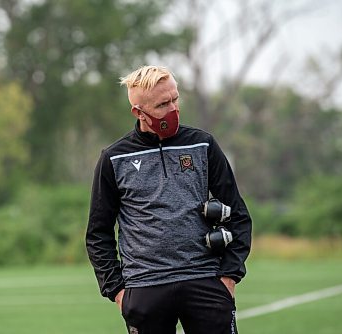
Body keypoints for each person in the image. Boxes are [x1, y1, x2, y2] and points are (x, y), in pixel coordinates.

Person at [85, 65, 252, 334]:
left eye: (175, 98)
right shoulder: (113, 158)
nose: (174, 108)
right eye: (163, 104)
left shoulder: (203, 145)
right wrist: (117, 291)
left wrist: (229, 275)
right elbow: (97, 233)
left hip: (205, 282)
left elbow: (238, 214)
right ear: (139, 112)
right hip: (144, 289)